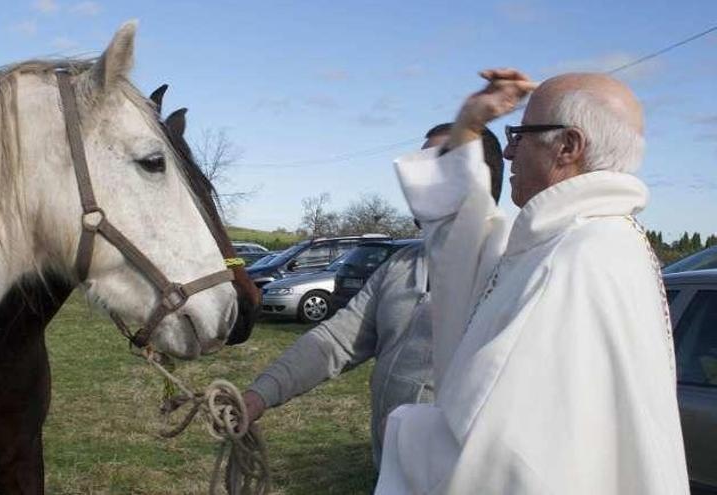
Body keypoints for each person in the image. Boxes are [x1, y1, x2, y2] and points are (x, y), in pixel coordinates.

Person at [375, 69, 688, 494]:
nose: (508, 154)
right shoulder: (594, 240)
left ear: (567, 147)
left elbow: (503, 461)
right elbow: (468, 246)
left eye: (519, 136)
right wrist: (469, 125)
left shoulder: (574, 261)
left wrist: (404, 429)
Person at [241, 123, 505, 472]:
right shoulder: (401, 263)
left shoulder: (511, 269)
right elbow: (334, 342)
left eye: (433, 163)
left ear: (475, 178)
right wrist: (258, 395)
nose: (415, 175)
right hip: (392, 475)